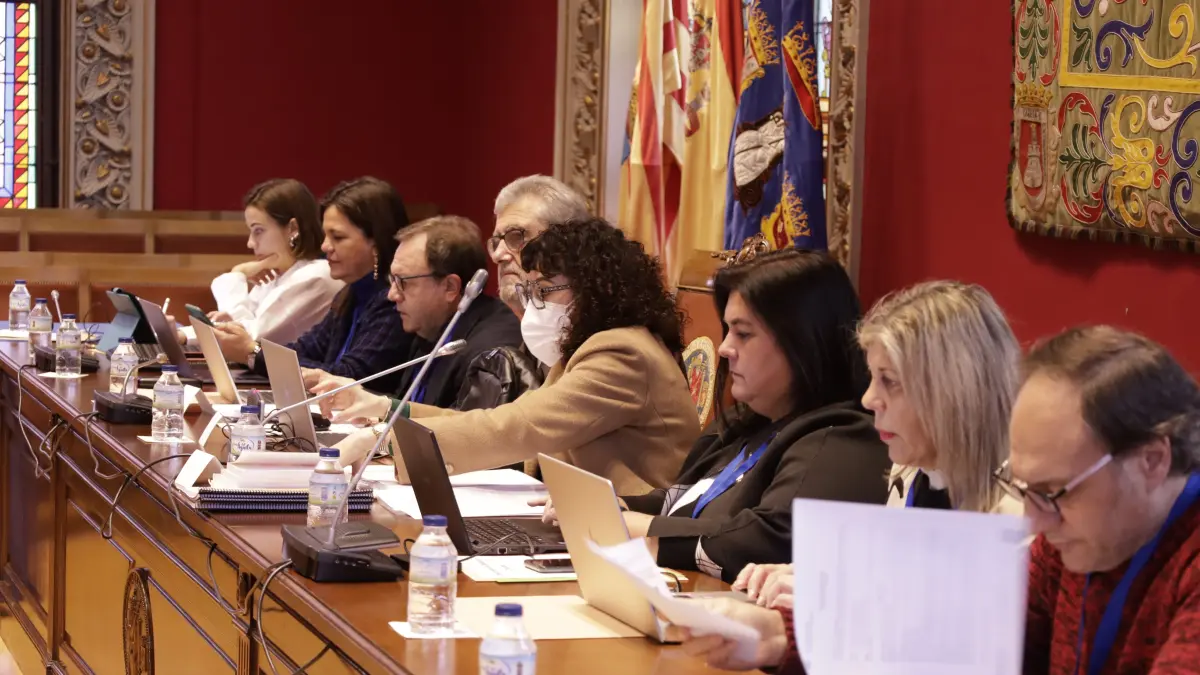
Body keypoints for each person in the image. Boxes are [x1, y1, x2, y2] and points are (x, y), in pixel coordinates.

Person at [681, 325, 1200, 675]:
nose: (1035, 523)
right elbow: (951, 637)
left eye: (1053, 493)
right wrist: (776, 634)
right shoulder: (1069, 543)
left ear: (1152, 461)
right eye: (1025, 489)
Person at [330, 218, 699, 494]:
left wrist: (385, 438)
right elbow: (497, 419)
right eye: (529, 291)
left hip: (633, 536)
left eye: (543, 291)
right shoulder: (585, 351)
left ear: (595, 289)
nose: (533, 304)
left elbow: (517, 427)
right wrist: (389, 413)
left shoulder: (621, 354)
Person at [598, 249, 890, 582]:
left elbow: (767, 539)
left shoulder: (842, 438)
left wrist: (642, 531)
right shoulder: (748, 421)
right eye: (727, 330)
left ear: (803, 341)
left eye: (743, 333)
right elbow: (687, 499)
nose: (724, 348)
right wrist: (615, 507)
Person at [733, 280, 1023, 607]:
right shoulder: (909, 471)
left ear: (954, 393)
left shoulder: (1025, 514)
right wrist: (811, 575)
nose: (869, 399)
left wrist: (839, 597)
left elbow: (951, 620)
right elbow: (898, 582)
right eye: (872, 377)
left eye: (889, 381)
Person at [213, 176, 413, 393]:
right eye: (326, 236)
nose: (325, 246)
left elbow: (350, 377)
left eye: (338, 237)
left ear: (376, 241)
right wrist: (252, 351)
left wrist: (252, 352)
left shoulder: (393, 300)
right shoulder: (349, 294)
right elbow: (304, 350)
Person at [310, 215, 522, 410]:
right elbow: (410, 404)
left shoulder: (486, 354)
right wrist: (362, 401)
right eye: (392, 280)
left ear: (450, 287)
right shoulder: (430, 325)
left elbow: (454, 430)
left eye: (402, 281)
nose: (392, 295)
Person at [446, 175, 593, 411]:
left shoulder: (608, 348)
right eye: (496, 242)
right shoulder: (532, 339)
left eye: (516, 237)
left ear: (567, 244)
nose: (498, 255)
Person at [179, 179, 342, 347]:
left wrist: (237, 273)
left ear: (292, 228)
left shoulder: (316, 276)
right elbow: (242, 325)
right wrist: (182, 334)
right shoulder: (273, 275)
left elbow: (249, 337)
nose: (251, 243)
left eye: (258, 231)